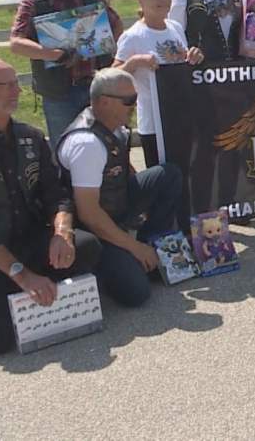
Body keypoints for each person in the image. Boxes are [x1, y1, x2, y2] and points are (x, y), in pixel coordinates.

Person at [0, 59, 101, 356]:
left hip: (28, 238)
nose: (16, 91)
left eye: (16, 83)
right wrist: (24, 276)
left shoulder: (31, 137)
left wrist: (62, 232)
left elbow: (57, 195)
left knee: (87, 246)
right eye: (5, 85)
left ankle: (16, 286)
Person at [56, 68, 187, 307]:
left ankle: (153, 245)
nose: (134, 105)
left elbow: (121, 167)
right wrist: (134, 248)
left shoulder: (116, 124)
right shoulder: (87, 144)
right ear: (104, 102)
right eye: (130, 100)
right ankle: (119, 261)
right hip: (94, 226)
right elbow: (89, 214)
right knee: (137, 294)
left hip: (116, 202)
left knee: (168, 175)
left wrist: (143, 203)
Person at [9, 0, 124, 147]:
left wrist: (109, 50)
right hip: (59, 94)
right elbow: (16, 43)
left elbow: (116, 24)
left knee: (110, 143)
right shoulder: (33, 3)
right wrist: (55, 54)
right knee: (65, 150)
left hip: (96, 86)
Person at [112, 0, 205, 167]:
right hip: (154, 124)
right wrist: (135, 62)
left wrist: (195, 57)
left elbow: (183, 65)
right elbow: (113, 77)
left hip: (182, 116)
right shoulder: (133, 36)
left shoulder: (176, 27)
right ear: (140, 0)